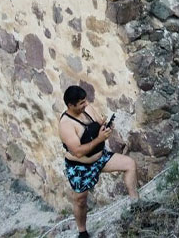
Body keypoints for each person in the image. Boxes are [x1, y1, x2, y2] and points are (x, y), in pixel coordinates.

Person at [58, 85, 139, 238]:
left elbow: (98, 123)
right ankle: (82, 232)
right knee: (81, 200)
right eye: (81, 103)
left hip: (100, 157)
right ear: (70, 105)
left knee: (129, 164)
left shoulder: (87, 109)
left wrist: (105, 127)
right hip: (79, 166)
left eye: (85, 101)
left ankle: (136, 205)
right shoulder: (66, 125)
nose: (86, 104)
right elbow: (78, 151)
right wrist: (99, 139)